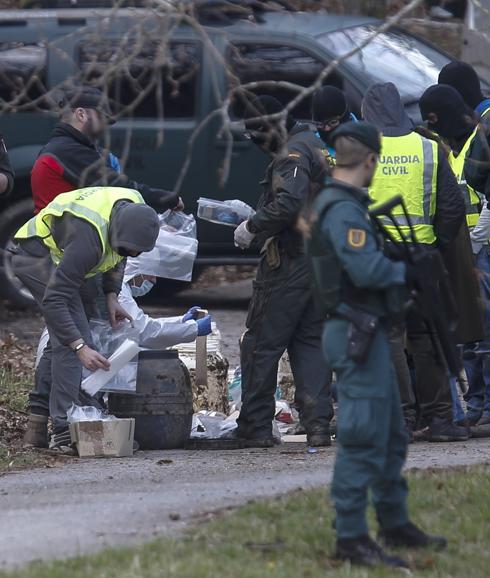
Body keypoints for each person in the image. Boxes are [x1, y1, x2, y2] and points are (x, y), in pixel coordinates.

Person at [308, 120, 447, 568]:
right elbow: (365, 271)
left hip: (364, 330)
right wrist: (407, 273)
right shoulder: (343, 210)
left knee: (389, 433)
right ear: (370, 159)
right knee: (364, 435)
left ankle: (393, 521)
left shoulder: (350, 205)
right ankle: (350, 536)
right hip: (354, 332)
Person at [13, 186, 159, 452]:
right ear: (117, 233)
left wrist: (112, 294)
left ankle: (38, 423)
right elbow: (54, 300)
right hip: (35, 257)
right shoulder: (88, 241)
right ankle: (64, 429)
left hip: (66, 259)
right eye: (127, 248)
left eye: (136, 252)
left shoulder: (134, 210)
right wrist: (79, 347)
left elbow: (118, 257)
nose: (130, 254)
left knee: (72, 334)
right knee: (74, 339)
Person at [362, 82, 469, 442]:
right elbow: (453, 208)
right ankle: (439, 419)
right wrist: (436, 242)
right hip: (422, 259)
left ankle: (402, 419)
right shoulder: (429, 148)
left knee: (389, 339)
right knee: (428, 339)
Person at [233, 95, 333, 448]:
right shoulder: (317, 145)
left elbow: (289, 203)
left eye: (254, 135)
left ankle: (255, 426)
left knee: (260, 343)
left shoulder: (291, 154)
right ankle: (318, 426)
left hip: (291, 262)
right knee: (310, 344)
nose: (256, 144)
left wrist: (253, 225)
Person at [420, 83, 490, 426]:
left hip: (483, 247)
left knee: (485, 332)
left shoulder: (481, 137)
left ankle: (485, 403)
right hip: (469, 251)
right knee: (471, 332)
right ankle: (476, 402)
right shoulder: (456, 145)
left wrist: (478, 238)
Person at [31, 86, 183, 214]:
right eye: (102, 118)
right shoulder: (68, 150)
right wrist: (166, 199)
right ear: (81, 114)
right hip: (62, 244)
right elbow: (119, 187)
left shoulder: (64, 147)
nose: (105, 126)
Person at [311, 85, 356, 160]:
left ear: (345, 117)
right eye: (319, 124)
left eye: (332, 122)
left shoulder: (368, 141)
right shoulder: (313, 146)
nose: (326, 129)